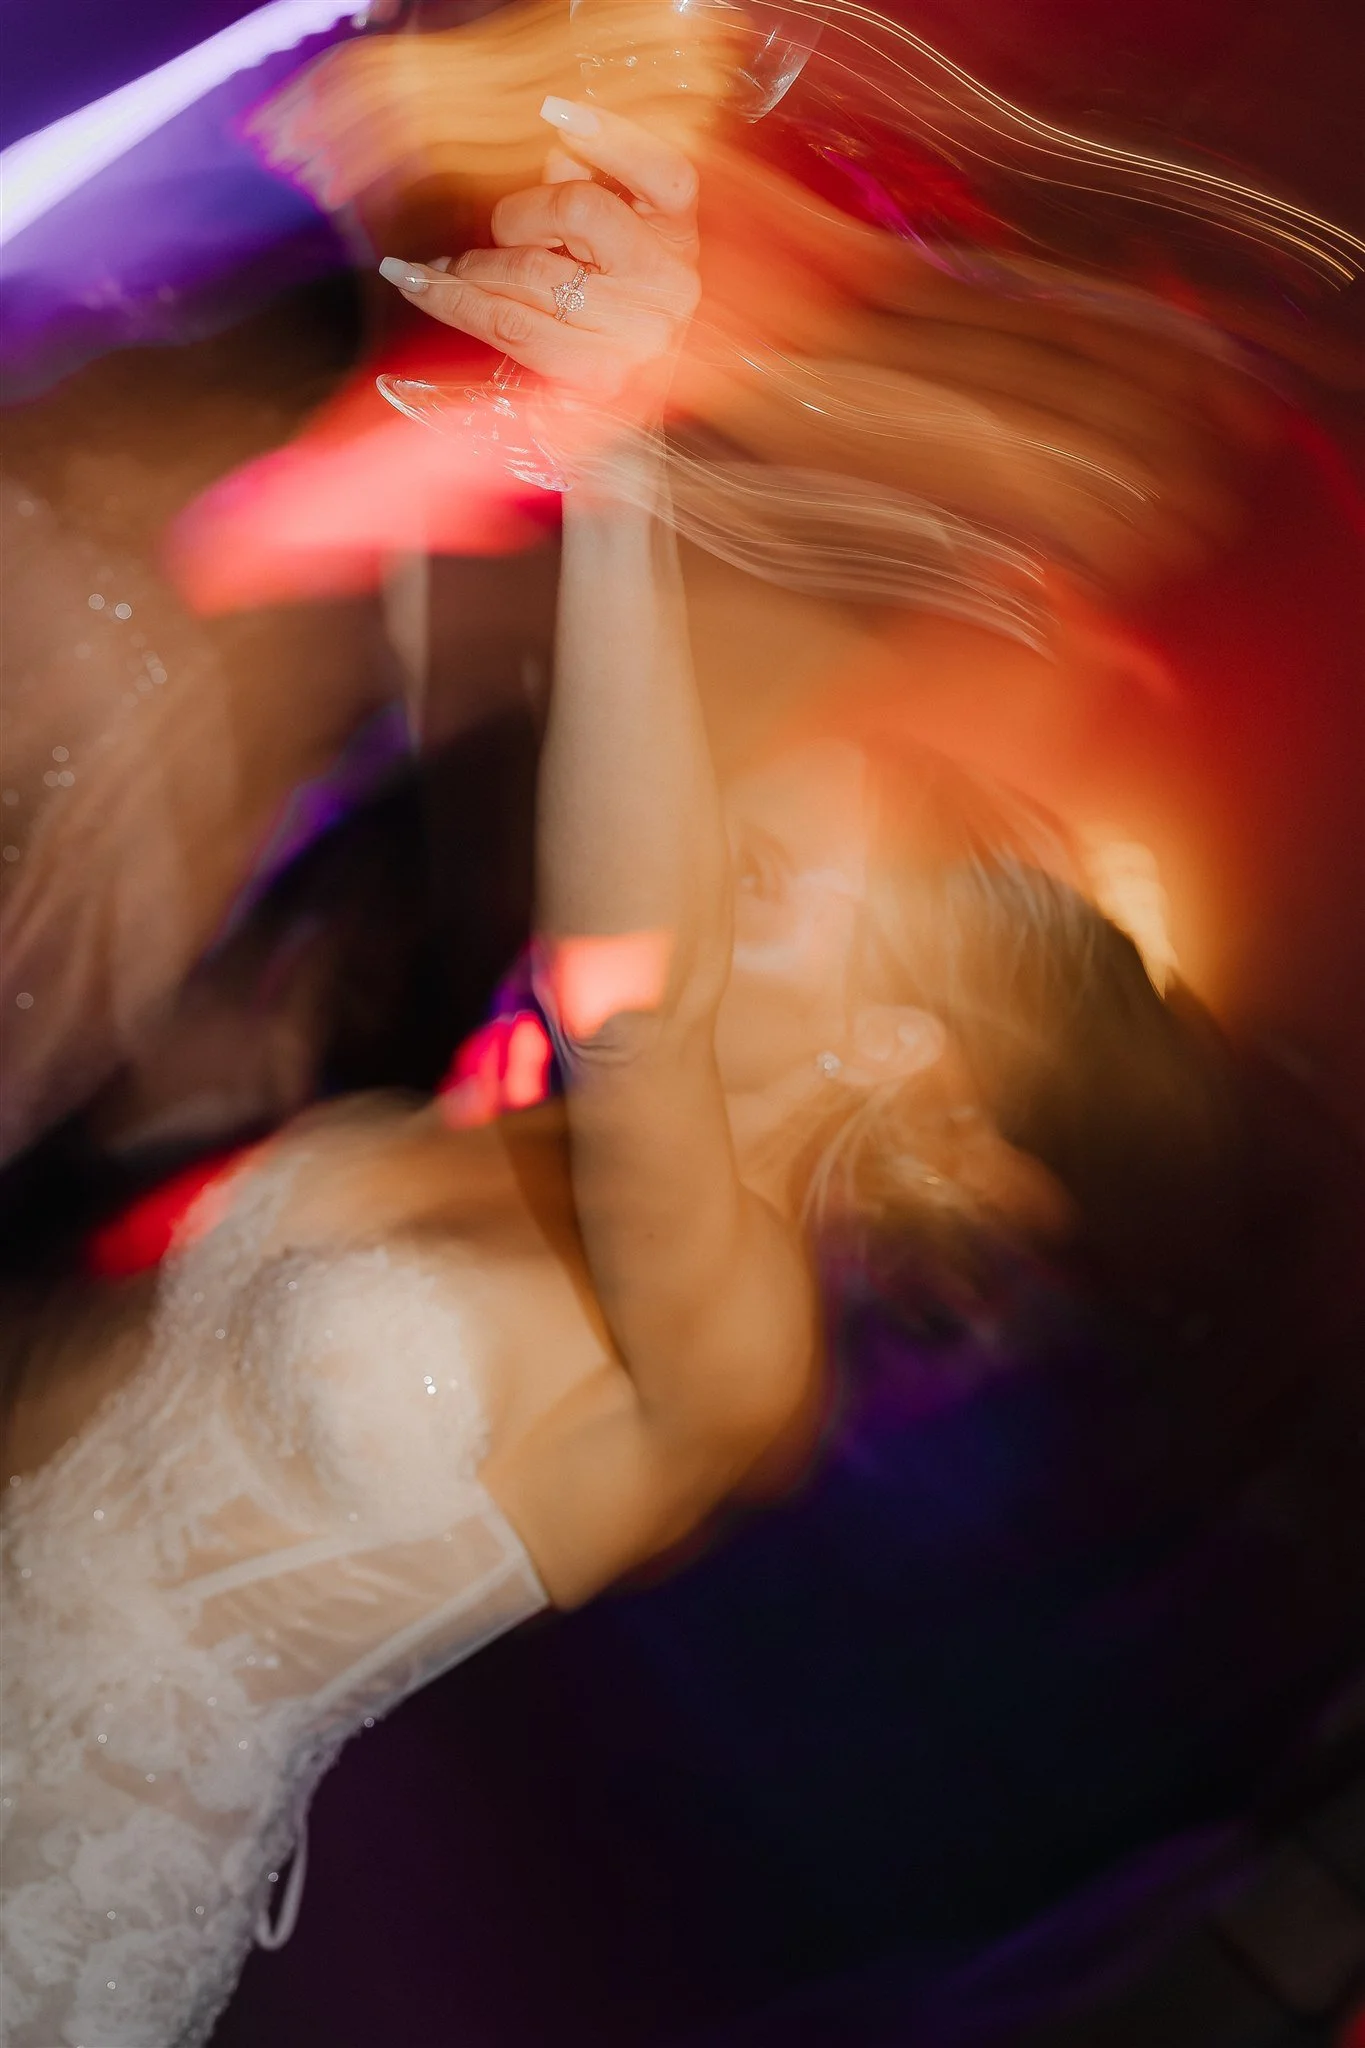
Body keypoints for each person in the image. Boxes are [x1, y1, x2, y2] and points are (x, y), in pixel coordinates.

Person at [1, 106, 1257, 2048]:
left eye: (807, 886)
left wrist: (614, 449)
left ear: (904, 1043)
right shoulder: (517, 1109)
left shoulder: (744, 1359)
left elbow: (640, 1008)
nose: (734, 864)